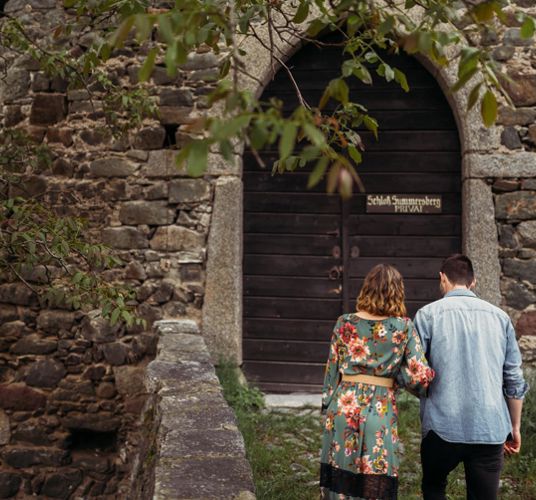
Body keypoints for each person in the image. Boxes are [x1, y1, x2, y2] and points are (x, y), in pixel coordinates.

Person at [414, 254, 529, 500]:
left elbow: (413, 371)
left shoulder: (427, 315)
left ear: (442, 278)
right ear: (473, 282)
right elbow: (514, 379)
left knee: (434, 488)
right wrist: (515, 427)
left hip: (441, 426)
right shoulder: (500, 318)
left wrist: (422, 393)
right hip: (489, 428)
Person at [320, 263, 434, 500]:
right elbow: (419, 377)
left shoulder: (344, 322)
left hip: (343, 405)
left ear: (367, 289)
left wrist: (327, 406)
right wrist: (396, 377)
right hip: (379, 407)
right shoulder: (403, 327)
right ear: (397, 292)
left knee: (342, 477)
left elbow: (331, 372)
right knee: (376, 477)